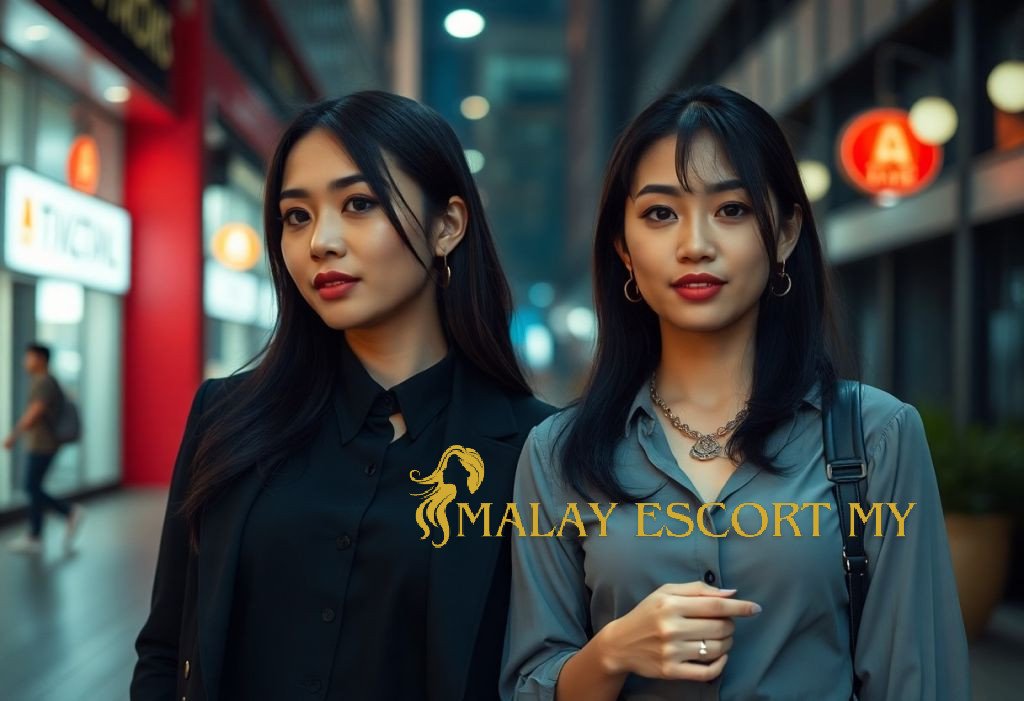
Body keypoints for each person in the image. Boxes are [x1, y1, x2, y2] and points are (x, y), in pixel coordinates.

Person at [502, 85, 969, 701]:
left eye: (732, 209)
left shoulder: (876, 435)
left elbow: (917, 682)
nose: (695, 244)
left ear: (785, 233)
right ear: (623, 248)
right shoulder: (558, 453)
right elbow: (529, 684)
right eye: (660, 214)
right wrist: (611, 653)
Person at [131, 91, 554, 701]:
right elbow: (166, 648)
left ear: (447, 225)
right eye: (296, 216)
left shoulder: (536, 450)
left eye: (359, 204)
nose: (320, 242)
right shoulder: (226, 417)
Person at [4, 343, 85, 554]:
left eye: (28, 357)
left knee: (31, 487)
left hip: (43, 443)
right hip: (42, 443)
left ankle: (63, 515)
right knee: (33, 487)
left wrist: (13, 435)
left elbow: (35, 412)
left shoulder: (44, 382)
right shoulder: (46, 381)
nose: (25, 362)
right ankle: (38, 533)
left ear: (40, 359)